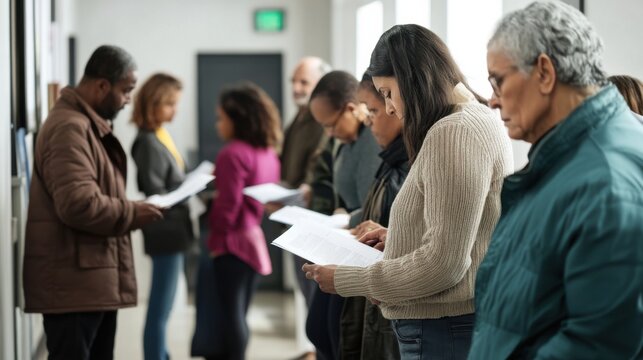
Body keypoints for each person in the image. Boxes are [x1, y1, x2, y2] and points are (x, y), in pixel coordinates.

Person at [303, 24, 513, 360]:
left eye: (387, 92)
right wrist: (400, 235)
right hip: (450, 325)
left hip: (444, 328)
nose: (387, 108)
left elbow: (444, 265)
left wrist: (347, 280)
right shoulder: (468, 119)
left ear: (412, 79)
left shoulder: (454, 132)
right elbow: (464, 236)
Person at [468, 1, 643, 358]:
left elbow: (598, 344)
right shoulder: (571, 159)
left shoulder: (606, 179)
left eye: (497, 81)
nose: (492, 100)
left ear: (544, 72)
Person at [22, 45, 163, 360]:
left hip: (88, 280)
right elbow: (78, 204)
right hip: (75, 285)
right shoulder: (70, 129)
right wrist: (132, 212)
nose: (128, 100)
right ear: (102, 86)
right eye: (126, 91)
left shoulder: (84, 125)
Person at [305, 70, 382, 360]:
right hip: (346, 239)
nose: (329, 134)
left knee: (334, 335)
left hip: (360, 249)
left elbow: (376, 203)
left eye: (330, 125)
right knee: (320, 329)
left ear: (351, 109)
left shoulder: (372, 142)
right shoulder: (348, 144)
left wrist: (345, 218)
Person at [207, 83, 282, 360]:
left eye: (221, 118)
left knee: (228, 316)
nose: (218, 125)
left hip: (231, 244)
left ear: (237, 119)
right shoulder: (268, 153)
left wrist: (215, 237)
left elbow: (227, 206)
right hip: (253, 240)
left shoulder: (232, 153)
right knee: (240, 313)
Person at [339, 73, 408, 360]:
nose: (368, 121)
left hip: (390, 306)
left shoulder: (410, 163)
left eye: (374, 110)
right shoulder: (389, 159)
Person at [130, 73, 194, 360]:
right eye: (170, 104)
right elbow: (156, 190)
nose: (175, 110)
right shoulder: (146, 142)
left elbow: (173, 177)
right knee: (159, 308)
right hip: (164, 231)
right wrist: (187, 187)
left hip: (174, 229)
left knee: (165, 306)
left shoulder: (160, 134)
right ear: (153, 104)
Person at [272, 56, 331, 360]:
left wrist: (293, 193)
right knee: (309, 305)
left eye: (303, 82)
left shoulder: (321, 121)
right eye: (293, 82)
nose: (296, 88)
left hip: (314, 223)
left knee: (318, 312)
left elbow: (315, 174)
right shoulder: (298, 117)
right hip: (294, 220)